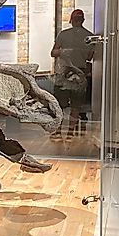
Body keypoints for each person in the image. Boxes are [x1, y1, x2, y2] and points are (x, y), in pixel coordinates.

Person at [51, 9, 94, 139]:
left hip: (64, 74)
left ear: (71, 19)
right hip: (80, 74)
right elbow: (90, 57)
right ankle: (70, 132)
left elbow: (53, 52)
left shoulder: (63, 35)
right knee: (76, 105)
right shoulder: (89, 37)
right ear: (83, 20)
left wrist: (64, 52)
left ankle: (58, 130)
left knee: (59, 104)